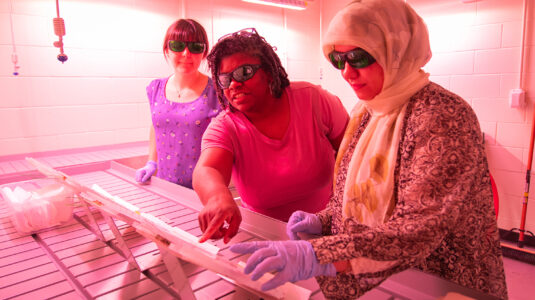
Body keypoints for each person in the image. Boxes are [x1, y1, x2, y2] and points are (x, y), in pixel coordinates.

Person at [229, 0, 508, 299]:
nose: (346, 72)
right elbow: (358, 198)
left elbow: (420, 228)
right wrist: (323, 220)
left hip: (442, 285)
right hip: (381, 282)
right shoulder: (367, 112)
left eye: (358, 57)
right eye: (338, 60)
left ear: (396, 50)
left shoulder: (442, 115)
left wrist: (317, 254)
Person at [193, 28, 350, 243]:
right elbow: (207, 168)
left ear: (267, 71)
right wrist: (217, 197)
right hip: (266, 239)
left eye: (244, 72)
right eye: (225, 79)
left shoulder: (313, 100)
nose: (234, 84)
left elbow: (353, 154)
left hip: (329, 232)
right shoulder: (226, 127)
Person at [135, 19, 220, 189]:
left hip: (203, 188)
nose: (186, 53)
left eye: (195, 47)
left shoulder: (216, 93)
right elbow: (156, 126)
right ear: (167, 49)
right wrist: (151, 162)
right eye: (177, 45)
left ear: (204, 52)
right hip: (164, 183)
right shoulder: (156, 88)